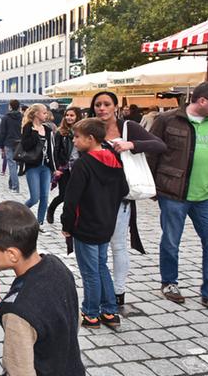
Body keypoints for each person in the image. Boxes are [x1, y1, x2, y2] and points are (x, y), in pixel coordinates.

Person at [147, 81, 208, 316]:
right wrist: (151, 187)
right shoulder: (168, 120)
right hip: (173, 193)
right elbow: (151, 154)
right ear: (202, 100)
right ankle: (169, 282)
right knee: (171, 241)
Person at [0, 201, 85, 376]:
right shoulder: (57, 266)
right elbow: (75, 319)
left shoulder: (16, 310)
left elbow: (19, 370)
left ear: (12, 254)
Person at [90, 91, 166, 310]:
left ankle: (119, 291)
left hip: (121, 196)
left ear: (115, 106)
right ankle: (102, 291)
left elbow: (159, 145)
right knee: (98, 247)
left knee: (118, 245)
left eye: (106, 104)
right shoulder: (91, 128)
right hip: (95, 196)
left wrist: (131, 144)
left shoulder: (128, 128)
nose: (101, 108)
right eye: (98, 104)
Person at [61, 118, 128, 329]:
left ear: (90, 139)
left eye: (77, 137)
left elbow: (71, 199)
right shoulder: (115, 160)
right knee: (101, 267)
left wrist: (67, 225)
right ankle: (110, 311)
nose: (74, 140)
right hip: (106, 223)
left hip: (86, 225)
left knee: (90, 272)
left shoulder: (84, 163)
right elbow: (124, 190)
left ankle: (91, 313)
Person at [46, 106, 82, 225]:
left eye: (72, 115)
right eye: (67, 115)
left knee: (76, 194)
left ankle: (69, 217)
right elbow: (55, 151)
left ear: (78, 116)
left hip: (78, 167)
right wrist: (56, 168)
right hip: (65, 167)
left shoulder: (83, 132)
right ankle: (51, 209)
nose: (69, 118)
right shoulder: (61, 132)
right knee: (63, 195)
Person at [21, 104, 55, 228]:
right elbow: (26, 146)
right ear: (36, 114)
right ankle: (19, 213)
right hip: (32, 166)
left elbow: (51, 149)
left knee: (44, 198)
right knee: (34, 198)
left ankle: (39, 223)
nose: (46, 115)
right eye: (44, 113)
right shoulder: (28, 127)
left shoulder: (48, 129)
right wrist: (35, 133)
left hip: (45, 167)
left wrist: (53, 168)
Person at [0, 99, 23, 193]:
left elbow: (2, 132)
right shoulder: (22, 117)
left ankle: (15, 186)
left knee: (12, 165)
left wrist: (1, 145)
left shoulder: (6, 118)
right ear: (19, 107)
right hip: (19, 143)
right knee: (15, 164)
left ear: (10, 106)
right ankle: (11, 183)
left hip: (8, 143)